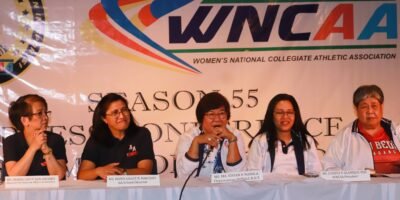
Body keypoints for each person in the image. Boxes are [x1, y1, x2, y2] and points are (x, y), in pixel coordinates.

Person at [322, 85, 400, 173]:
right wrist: (356, 176)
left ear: (381, 108)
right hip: (361, 186)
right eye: (364, 107)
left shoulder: (396, 130)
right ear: (356, 110)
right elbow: (328, 167)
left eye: (374, 106)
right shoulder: (344, 137)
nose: (370, 111)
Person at [77, 93, 155, 180]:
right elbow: (82, 175)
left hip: (138, 191)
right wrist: (98, 171)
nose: (122, 116)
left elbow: (145, 171)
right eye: (115, 112)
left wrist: (120, 173)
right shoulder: (96, 139)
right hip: (107, 192)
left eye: (124, 110)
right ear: (104, 119)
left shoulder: (142, 134)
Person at [175, 92, 246, 177]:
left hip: (226, 189)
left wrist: (232, 140)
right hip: (197, 189)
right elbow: (183, 176)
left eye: (221, 113)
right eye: (211, 114)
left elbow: (238, 176)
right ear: (201, 118)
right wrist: (196, 141)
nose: (217, 118)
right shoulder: (188, 137)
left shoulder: (235, 135)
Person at [247, 94, 321, 175]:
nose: (285, 116)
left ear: (295, 115)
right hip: (269, 187)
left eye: (290, 112)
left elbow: (315, 173)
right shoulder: (260, 141)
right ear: (271, 115)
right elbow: (252, 175)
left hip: (300, 187)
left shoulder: (306, 140)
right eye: (279, 112)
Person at [3, 94, 67, 180]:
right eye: (39, 113)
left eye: (46, 112)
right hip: (20, 192)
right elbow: (14, 176)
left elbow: (58, 176)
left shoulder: (56, 139)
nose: (45, 117)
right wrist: (33, 147)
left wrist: (46, 151)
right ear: (25, 120)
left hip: (49, 192)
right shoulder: (11, 142)